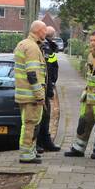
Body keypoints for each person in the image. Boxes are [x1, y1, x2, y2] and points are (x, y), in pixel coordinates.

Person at [65, 30, 95, 159]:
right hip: (89, 96)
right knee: (83, 123)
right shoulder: (90, 55)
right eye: (91, 40)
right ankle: (78, 149)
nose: (92, 43)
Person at [14, 21, 48, 164]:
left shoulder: (22, 44)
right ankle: (27, 154)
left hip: (24, 94)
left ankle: (30, 151)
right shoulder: (33, 48)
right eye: (44, 30)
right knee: (30, 124)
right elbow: (32, 74)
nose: (45, 33)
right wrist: (40, 95)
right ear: (39, 31)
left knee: (29, 124)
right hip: (32, 95)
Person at [34, 25, 61, 153]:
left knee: (46, 115)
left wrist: (51, 84)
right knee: (39, 117)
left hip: (46, 86)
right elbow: (45, 70)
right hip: (40, 87)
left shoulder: (48, 47)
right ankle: (38, 143)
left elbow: (52, 67)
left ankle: (45, 141)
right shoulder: (40, 47)